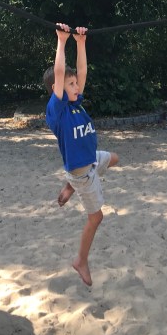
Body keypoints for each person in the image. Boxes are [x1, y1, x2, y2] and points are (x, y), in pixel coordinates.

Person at [43, 23, 119, 286]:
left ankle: (69, 186)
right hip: (83, 173)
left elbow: (82, 71)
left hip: (91, 159)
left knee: (115, 158)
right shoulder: (58, 112)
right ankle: (81, 260)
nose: (77, 86)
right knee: (97, 217)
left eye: (76, 83)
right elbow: (60, 72)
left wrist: (81, 43)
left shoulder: (76, 103)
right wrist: (62, 41)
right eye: (71, 84)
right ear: (57, 88)